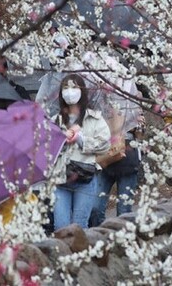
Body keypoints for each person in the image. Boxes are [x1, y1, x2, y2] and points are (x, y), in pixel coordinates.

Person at [52, 75, 110, 230]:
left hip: (85, 177)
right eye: (65, 88)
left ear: (82, 91)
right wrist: (60, 141)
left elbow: (105, 144)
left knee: (80, 225)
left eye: (74, 87)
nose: (69, 92)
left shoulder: (94, 118)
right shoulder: (55, 121)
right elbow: (46, 150)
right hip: (60, 179)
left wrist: (80, 139)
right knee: (60, 226)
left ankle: (81, 254)